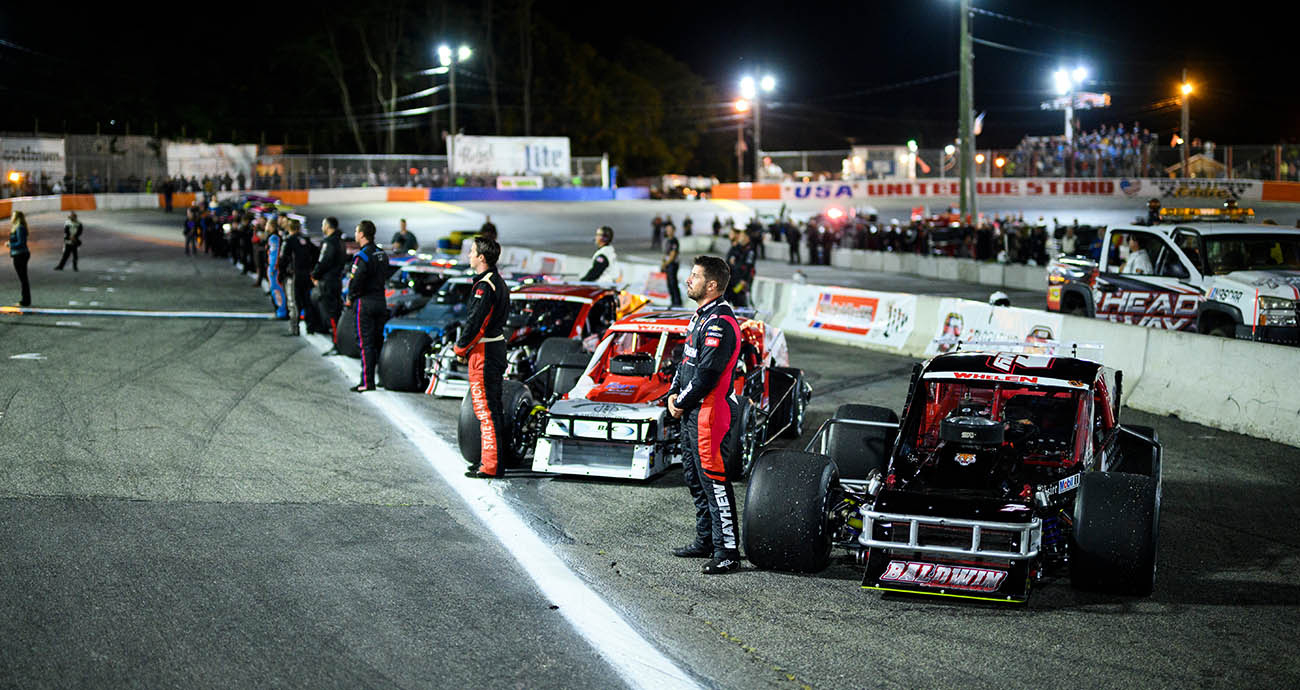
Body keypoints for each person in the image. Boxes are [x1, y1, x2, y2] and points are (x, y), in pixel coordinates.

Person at [667, 255, 744, 575]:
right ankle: (706, 541)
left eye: (695, 276)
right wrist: (673, 392)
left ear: (712, 285)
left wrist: (681, 401)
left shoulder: (720, 322)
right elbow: (686, 362)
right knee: (695, 479)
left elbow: (708, 374)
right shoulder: (700, 316)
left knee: (714, 482)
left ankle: (727, 552)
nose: (688, 280)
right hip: (693, 411)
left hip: (710, 414)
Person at [454, 236, 511, 478]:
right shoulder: (497, 281)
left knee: (485, 409)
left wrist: (460, 348)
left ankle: (491, 466)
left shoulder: (485, 286)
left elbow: (477, 322)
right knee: (491, 408)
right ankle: (491, 460)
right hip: (493, 348)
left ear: (482, 257)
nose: (469, 255)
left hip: (484, 352)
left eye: (472, 251)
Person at [344, 220, 390, 392]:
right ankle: (382, 378)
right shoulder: (382, 254)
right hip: (381, 301)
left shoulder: (362, 256)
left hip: (365, 303)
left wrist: (350, 297)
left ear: (362, 234)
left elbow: (356, 281)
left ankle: (367, 381)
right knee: (378, 342)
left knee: (366, 343)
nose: (355, 235)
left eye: (357, 232)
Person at [277, 219, 322, 336]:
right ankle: (310, 327)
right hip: (306, 275)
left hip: (293, 276)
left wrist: (281, 274)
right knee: (307, 301)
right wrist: (311, 268)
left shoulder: (288, 240)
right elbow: (317, 253)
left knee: (293, 302)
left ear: (289, 228)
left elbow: (283, 259)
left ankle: (294, 328)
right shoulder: (306, 240)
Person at [312, 216, 346, 355]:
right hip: (336, 281)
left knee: (331, 314)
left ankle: (337, 344)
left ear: (327, 226)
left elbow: (323, 262)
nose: (322, 228)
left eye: (323, 225)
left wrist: (315, 274)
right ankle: (338, 342)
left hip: (328, 282)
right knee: (335, 312)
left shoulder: (329, 242)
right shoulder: (341, 241)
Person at [726, 229, 756, 308]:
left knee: (740, 299)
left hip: (741, 281)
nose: (740, 238)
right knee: (729, 297)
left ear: (747, 237)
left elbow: (749, 266)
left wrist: (744, 279)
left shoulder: (750, 250)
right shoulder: (738, 247)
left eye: (742, 236)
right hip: (733, 278)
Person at [8, 211, 31, 306]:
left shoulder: (20, 228)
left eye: (13, 216)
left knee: (23, 278)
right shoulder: (17, 227)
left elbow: (21, 243)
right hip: (19, 254)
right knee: (23, 278)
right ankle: (25, 300)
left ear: (17, 218)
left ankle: (25, 301)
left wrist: (10, 245)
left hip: (20, 254)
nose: (11, 217)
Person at [661, 222, 682, 308]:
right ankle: (673, 301)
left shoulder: (674, 241)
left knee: (673, 283)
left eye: (670, 230)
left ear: (673, 230)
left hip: (672, 264)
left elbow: (672, 256)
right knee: (669, 283)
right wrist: (663, 263)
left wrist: (665, 264)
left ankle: (677, 302)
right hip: (667, 264)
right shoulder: (667, 240)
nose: (668, 231)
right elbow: (665, 254)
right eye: (667, 230)